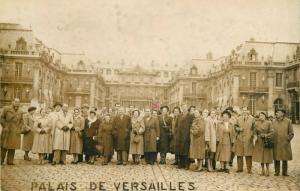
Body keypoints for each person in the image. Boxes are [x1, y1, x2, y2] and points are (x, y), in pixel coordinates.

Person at [1, 98, 24, 165]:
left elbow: (22, 120)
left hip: (15, 131)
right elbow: (1, 118)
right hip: (7, 130)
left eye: (18, 102)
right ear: (12, 102)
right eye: (16, 102)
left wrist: (19, 127)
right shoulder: (6, 108)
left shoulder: (20, 111)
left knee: (13, 146)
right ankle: (1, 160)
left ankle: (10, 161)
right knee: (4, 146)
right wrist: (5, 126)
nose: (17, 103)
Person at [273, 109, 294, 176]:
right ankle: (277, 171)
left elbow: (291, 133)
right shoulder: (273, 121)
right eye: (276, 112)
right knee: (276, 158)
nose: (276, 113)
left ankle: (284, 172)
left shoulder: (288, 121)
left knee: (285, 158)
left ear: (282, 114)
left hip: (285, 143)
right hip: (276, 142)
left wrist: (287, 139)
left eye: (278, 112)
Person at [252, 112, 274, 176]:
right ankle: (262, 170)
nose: (261, 117)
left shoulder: (269, 123)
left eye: (262, 116)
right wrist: (255, 136)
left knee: (267, 156)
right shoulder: (256, 123)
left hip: (266, 141)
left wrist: (266, 135)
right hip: (259, 142)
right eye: (260, 116)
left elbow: (272, 132)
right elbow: (254, 132)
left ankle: (267, 170)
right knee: (260, 156)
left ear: (265, 116)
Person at [235, 106, 255, 173]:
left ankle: (249, 169)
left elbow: (254, 128)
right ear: (241, 111)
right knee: (239, 154)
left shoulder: (252, 118)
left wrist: (251, 135)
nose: (244, 111)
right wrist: (238, 129)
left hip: (248, 138)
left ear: (247, 111)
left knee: (248, 155)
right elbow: (235, 126)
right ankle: (239, 168)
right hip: (240, 138)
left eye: (245, 110)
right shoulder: (238, 118)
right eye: (243, 110)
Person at [175, 104, 194, 169]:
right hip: (180, 136)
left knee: (186, 151)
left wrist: (190, 134)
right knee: (180, 150)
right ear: (181, 108)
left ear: (187, 108)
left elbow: (192, 126)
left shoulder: (190, 116)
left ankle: (186, 165)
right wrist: (176, 133)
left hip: (187, 135)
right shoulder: (179, 116)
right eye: (182, 107)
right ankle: (180, 164)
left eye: (185, 107)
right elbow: (176, 125)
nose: (184, 108)